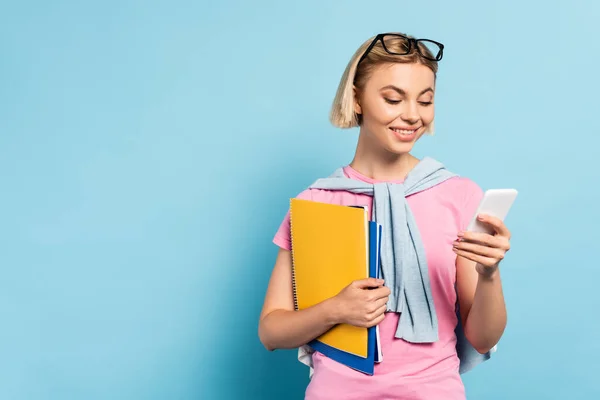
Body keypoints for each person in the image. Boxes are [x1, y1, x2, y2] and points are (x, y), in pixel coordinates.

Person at [258, 32, 511, 400]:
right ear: (357, 99)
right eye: (393, 99)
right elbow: (271, 331)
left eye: (425, 101)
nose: (412, 114)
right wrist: (335, 310)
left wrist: (490, 274)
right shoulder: (317, 201)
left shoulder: (458, 195)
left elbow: (484, 338)